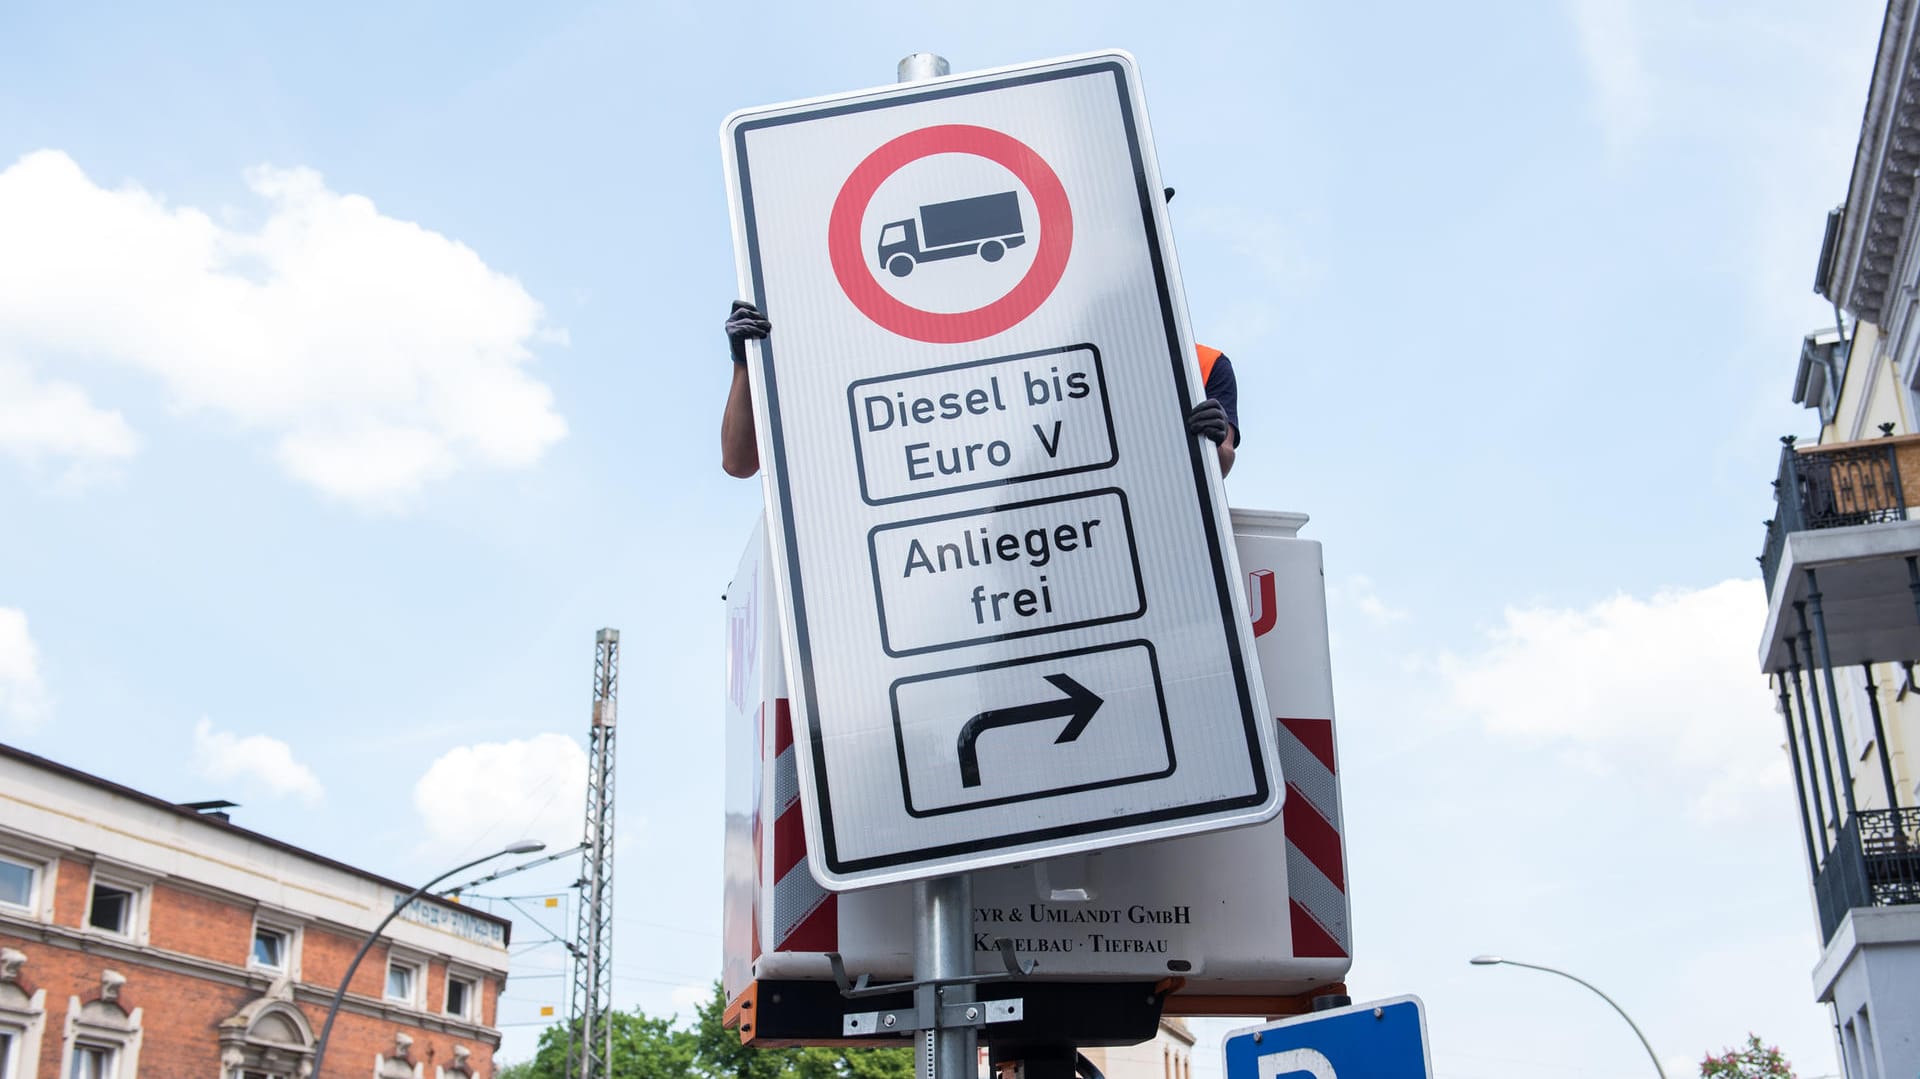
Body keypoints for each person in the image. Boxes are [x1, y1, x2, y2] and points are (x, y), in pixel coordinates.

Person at [719, 300, 1240, 478]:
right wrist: (749, 366)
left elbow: (1219, 462)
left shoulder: (1203, 363)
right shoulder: (864, 362)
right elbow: (741, 462)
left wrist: (1211, 443)